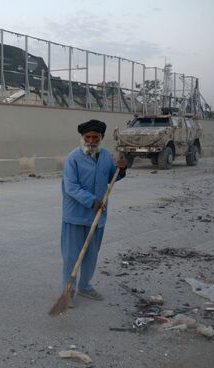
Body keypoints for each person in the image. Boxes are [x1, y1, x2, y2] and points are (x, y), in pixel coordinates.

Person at [60, 119, 127, 302]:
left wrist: (122, 169)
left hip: (97, 216)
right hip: (75, 215)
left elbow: (113, 175)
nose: (90, 140)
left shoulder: (105, 156)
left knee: (91, 256)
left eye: (94, 137)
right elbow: (71, 187)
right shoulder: (73, 158)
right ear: (82, 137)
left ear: (102, 137)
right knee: (71, 256)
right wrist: (92, 201)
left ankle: (85, 287)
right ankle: (68, 292)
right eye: (87, 137)